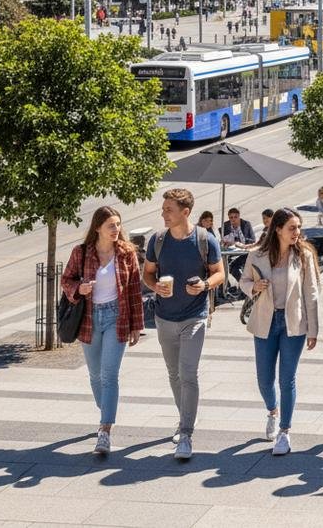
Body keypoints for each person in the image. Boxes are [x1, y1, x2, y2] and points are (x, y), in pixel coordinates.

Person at [143, 188, 225, 461]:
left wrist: (204, 285)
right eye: (164, 208)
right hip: (164, 317)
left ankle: (186, 434)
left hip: (194, 316)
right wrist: (156, 287)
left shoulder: (205, 239)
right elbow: (147, 274)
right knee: (173, 374)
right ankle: (184, 417)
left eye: (169, 209)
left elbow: (219, 274)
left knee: (188, 373)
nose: (163, 213)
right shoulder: (157, 240)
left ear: (185, 212)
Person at [61, 205, 144, 457]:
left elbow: (134, 291)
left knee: (109, 375)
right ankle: (105, 408)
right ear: (98, 228)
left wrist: (136, 326)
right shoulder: (82, 253)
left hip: (116, 317)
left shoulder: (127, 253)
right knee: (95, 375)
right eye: (111, 226)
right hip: (89, 318)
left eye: (118, 225)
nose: (116, 230)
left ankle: (105, 429)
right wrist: (80, 289)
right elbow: (67, 280)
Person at [239, 208, 320, 456]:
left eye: (298, 227)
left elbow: (312, 292)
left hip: (292, 323)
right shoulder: (257, 255)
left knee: (287, 379)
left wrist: (313, 330)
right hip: (265, 320)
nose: (297, 232)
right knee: (264, 379)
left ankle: (284, 431)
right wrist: (254, 286)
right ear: (278, 229)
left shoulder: (303, 255)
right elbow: (243, 282)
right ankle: (273, 411)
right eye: (292, 228)